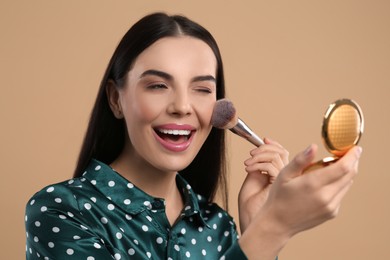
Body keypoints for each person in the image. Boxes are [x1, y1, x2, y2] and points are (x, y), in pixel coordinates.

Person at [25, 12, 362, 260]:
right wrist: (272, 230)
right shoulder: (62, 212)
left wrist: (258, 227)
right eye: (158, 85)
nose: (183, 106)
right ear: (116, 99)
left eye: (202, 89)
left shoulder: (220, 227)